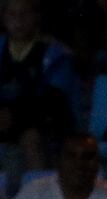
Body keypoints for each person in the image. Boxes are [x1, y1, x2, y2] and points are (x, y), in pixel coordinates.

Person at [0, 0, 78, 172]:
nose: (18, 20)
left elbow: (55, 101)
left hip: (44, 122)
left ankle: (40, 192)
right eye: (12, 14)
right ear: (3, 18)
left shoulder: (56, 53)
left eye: (24, 14)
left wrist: (14, 115)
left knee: (31, 137)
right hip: (5, 120)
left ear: (37, 16)